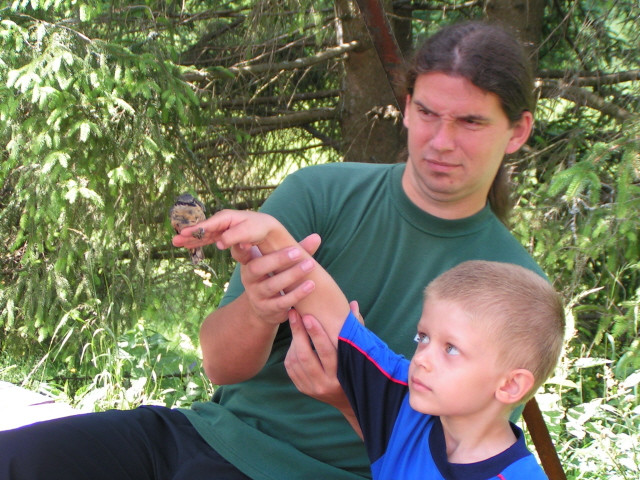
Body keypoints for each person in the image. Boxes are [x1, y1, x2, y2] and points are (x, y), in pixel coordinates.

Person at [0, 20, 542, 480]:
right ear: (405, 108)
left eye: (470, 121)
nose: (441, 141)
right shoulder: (321, 193)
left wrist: (344, 399)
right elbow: (220, 365)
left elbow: (458, 455)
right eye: (427, 113)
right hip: (210, 442)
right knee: (21, 458)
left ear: (517, 132)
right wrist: (259, 311)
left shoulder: (516, 285)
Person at [190, 208, 565, 479]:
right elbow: (338, 323)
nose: (422, 359)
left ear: (510, 385)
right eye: (423, 338)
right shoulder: (406, 413)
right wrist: (272, 234)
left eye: (451, 349)